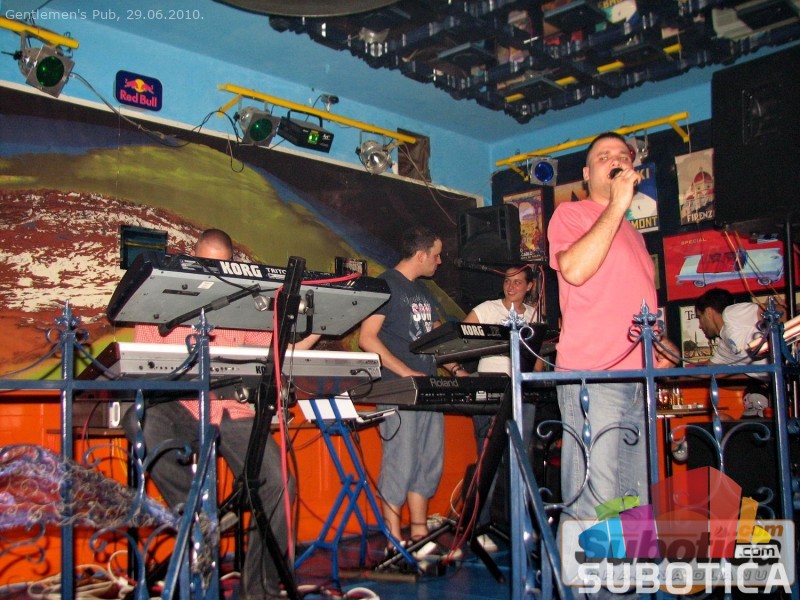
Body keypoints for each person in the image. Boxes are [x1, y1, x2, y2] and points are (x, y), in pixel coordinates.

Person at [122, 228, 319, 600]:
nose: (213, 272)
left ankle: (258, 590)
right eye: (205, 263)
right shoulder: (162, 297)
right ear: (192, 256)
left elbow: (276, 352)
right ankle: (197, 513)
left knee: (280, 484)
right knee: (139, 419)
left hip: (232, 409)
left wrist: (318, 326)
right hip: (181, 407)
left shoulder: (245, 304)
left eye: (221, 264)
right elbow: (145, 366)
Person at [547, 132, 678, 593]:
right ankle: (582, 592)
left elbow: (635, 306)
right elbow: (575, 270)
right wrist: (617, 205)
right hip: (593, 375)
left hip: (637, 378)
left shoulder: (633, 234)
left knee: (633, 498)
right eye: (604, 157)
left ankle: (627, 589)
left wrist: (659, 349)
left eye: (623, 156)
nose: (616, 161)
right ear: (587, 175)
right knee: (593, 497)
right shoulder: (572, 215)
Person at [358, 226, 445, 556]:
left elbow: (438, 336)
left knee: (427, 460)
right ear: (421, 255)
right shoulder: (385, 285)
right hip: (397, 389)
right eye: (436, 255)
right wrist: (406, 371)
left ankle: (420, 533)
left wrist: (458, 365)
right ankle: (393, 541)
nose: (439, 261)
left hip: (428, 387)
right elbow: (367, 338)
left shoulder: (423, 292)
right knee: (401, 461)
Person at [450, 265, 542, 552]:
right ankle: (478, 526)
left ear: (529, 286)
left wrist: (533, 382)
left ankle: (518, 525)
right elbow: (451, 344)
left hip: (522, 392)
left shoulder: (534, 315)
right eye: (507, 281)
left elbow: (539, 358)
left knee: (520, 460)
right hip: (490, 390)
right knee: (487, 458)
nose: (511, 287)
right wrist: (458, 372)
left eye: (518, 282)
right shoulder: (486, 310)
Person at [695, 287, 771, 415]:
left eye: (699, 317)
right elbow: (705, 372)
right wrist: (668, 375)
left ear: (709, 312)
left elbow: (778, 313)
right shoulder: (723, 348)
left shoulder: (731, 314)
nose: (700, 325)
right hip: (784, 381)